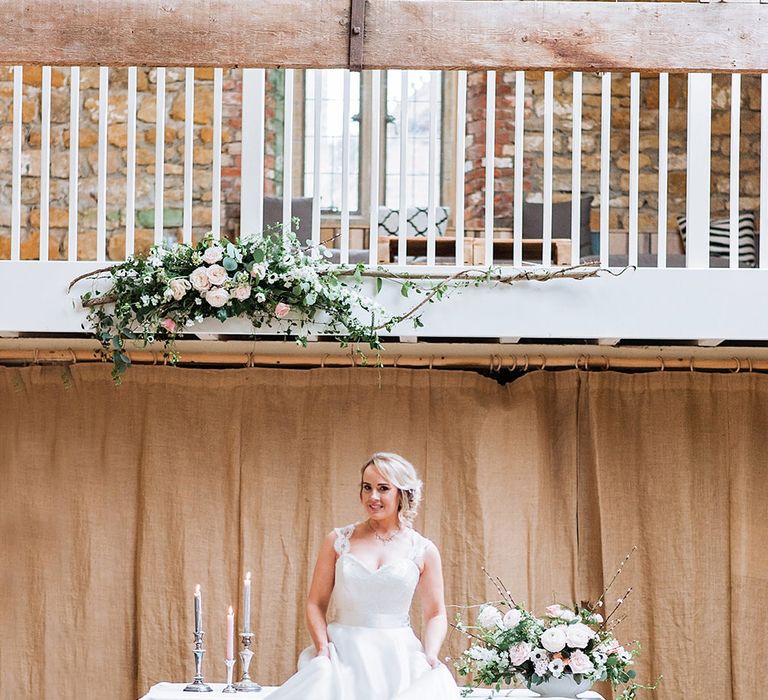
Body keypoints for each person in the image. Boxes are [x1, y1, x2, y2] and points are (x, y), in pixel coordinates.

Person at [267, 452, 461, 700]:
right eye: (367, 487)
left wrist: (431, 653)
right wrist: (323, 648)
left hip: (398, 657)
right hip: (343, 653)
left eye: (383, 488)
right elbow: (315, 603)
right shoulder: (338, 540)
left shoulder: (423, 549)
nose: (373, 497)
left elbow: (435, 613)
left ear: (401, 493)